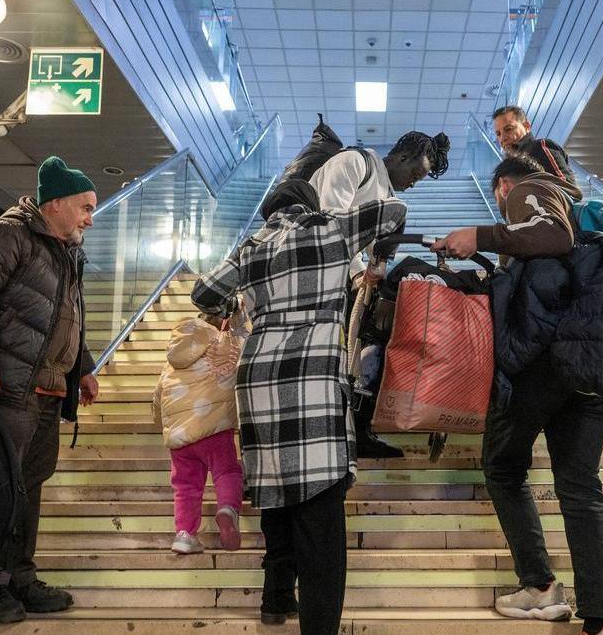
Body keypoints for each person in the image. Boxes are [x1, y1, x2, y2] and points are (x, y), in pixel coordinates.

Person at [434, 154, 603, 635]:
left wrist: (482, 235)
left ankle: (542, 588)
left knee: (503, 466)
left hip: (550, 364)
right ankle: (602, 618)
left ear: (503, 185)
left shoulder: (527, 191)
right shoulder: (571, 208)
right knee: (580, 485)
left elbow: (553, 238)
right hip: (595, 365)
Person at [192, 180, 407, 634]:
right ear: (310, 205)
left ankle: (275, 600)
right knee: (320, 518)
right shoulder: (332, 229)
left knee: (278, 494)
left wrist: (236, 301)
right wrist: (374, 251)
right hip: (311, 380)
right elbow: (394, 210)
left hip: (260, 382)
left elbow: (203, 293)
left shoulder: (251, 246)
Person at [0, 155, 100, 625]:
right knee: (1, 489)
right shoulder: (9, 234)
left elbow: (64, 318)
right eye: (85, 207)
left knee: (28, 488)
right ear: (54, 204)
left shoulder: (63, 251)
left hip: (50, 391)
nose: (90, 219)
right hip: (11, 386)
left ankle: (21, 578)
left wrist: (85, 367)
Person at [309, 130, 450, 459]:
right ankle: (328, 434)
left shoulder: (393, 204)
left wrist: (375, 272)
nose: (415, 183)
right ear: (402, 157)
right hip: (311, 275)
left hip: (344, 283)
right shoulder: (354, 164)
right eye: (415, 174)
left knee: (379, 334)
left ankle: (359, 427)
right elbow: (327, 224)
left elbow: (378, 255)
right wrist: (360, 270)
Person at [153, 316, 244, 555]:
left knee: (186, 486)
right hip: (214, 428)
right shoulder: (222, 347)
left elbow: (157, 396)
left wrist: (162, 424)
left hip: (180, 437)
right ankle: (228, 508)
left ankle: (185, 534)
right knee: (227, 471)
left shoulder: (170, 364)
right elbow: (241, 364)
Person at [491, 105, 576, 183]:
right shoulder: (508, 166)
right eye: (498, 134)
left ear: (526, 126)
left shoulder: (540, 146)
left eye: (508, 129)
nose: (502, 138)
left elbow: (567, 185)